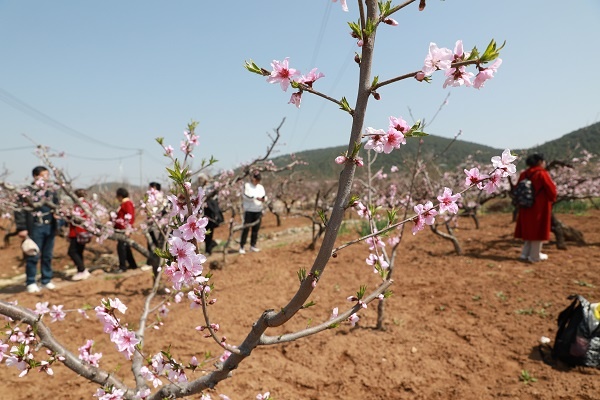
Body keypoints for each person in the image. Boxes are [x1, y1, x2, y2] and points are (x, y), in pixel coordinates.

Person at [14, 166, 60, 293]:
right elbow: (20, 211)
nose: (46, 178)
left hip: (49, 226)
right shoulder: (28, 192)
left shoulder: (51, 191)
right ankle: (31, 281)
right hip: (34, 227)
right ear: (35, 176)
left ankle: (46, 279)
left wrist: (58, 220)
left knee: (47, 255)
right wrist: (22, 228)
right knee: (33, 255)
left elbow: (57, 207)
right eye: (43, 175)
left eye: (47, 175)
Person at [514, 153, 557, 262]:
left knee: (528, 229)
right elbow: (551, 191)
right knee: (537, 230)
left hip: (525, 205)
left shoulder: (524, 174)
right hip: (539, 206)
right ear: (539, 162)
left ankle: (525, 254)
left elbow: (517, 189)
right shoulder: (542, 174)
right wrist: (552, 199)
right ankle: (534, 256)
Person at [239, 171, 267, 254]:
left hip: (258, 209)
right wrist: (255, 198)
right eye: (256, 179)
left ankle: (253, 245)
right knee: (246, 229)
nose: (257, 181)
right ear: (253, 178)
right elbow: (245, 196)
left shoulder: (260, 187)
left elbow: (264, 197)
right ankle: (242, 246)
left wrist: (263, 199)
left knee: (256, 229)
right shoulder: (247, 186)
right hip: (249, 210)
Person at [68, 189, 92, 281]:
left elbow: (76, 217)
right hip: (85, 231)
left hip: (77, 231)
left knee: (72, 251)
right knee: (79, 251)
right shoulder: (87, 205)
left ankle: (82, 270)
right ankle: (81, 270)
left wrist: (69, 214)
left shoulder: (79, 206)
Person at [145, 182, 167, 279]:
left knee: (156, 242)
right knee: (152, 241)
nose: (149, 190)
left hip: (156, 222)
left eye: (151, 188)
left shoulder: (159, 196)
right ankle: (152, 261)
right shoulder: (152, 197)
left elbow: (158, 209)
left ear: (154, 188)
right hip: (152, 221)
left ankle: (156, 261)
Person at [198, 174, 223, 256]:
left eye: (201, 179)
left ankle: (208, 249)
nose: (200, 180)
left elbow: (215, 198)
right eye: (199, 179)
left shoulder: (211, 187)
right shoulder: (200, 188)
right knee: (204, 231)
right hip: (204, 212)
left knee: (210, 230)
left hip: (210, 212)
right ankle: (209, 246)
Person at [114, 187, 138, 272]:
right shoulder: (123, 204)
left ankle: (122, 266)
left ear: (120, 196)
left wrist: (128, 229)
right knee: (125, 246)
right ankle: (133, 264)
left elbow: (130, 216)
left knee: (121, 247)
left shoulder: (127, 203)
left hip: (124, 230)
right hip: (121, 229)